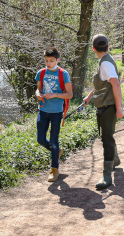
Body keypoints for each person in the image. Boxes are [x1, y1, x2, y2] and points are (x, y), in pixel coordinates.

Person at [83, 34, 124, 189]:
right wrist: (89, 97)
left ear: (93, 49)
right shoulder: (105, 60)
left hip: (108, 106)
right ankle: (115, 159)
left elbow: (116, 84)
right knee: (106, 135)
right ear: (107, 46)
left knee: (106, 139)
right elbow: (102, 84)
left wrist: (119, 108)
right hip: (103, 105)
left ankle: (106, 175)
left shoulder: (105, 64)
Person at [35, 47, 73, 182]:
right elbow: (38, 89)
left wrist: (55, 95)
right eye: (46, 61)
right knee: (40, 139)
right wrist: (38, 95)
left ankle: (54, 169)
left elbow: (70, 94)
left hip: (56, 112)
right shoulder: (41, 72)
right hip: (43, 110)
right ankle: (57, 152)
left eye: (51, 60)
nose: (48, 63)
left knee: (54, 141)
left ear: (58, 60)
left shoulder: (63, 74)